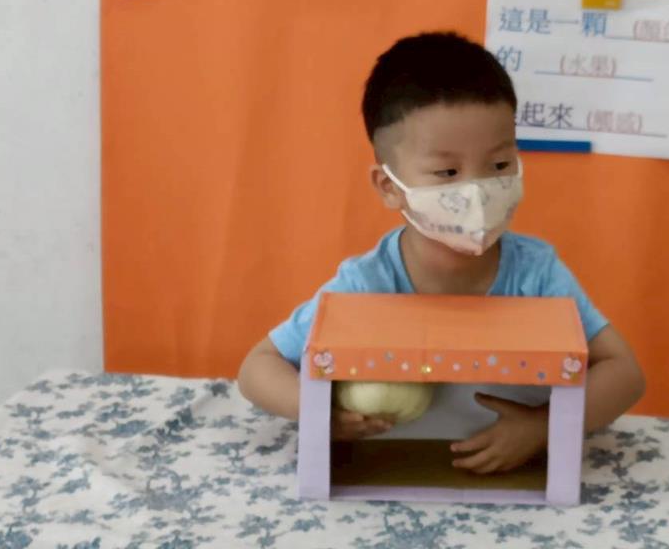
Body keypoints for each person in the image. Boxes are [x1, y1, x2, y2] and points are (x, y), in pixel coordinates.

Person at [238, 31, 644, 474]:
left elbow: (624, 372)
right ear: (390, 187)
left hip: (516, 483)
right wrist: (322, 415)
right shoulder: (366, 284)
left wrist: (545, 428)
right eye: (447, 171)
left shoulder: (537, 274)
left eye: (499, 165)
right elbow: (259, 367)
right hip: (393, 474)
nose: (477, 189)